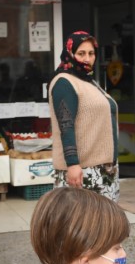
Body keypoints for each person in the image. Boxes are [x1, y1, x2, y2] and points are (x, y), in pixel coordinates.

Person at [50, 31, 121, 199]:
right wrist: (73, 165)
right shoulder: (64, 82)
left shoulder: (88, 81)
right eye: (81, 53)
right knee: (82, 223)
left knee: (103, 223)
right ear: (70, 54)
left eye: (91, 53)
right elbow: (66, 127)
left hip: (103, 170)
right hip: (83, 172)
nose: (87, 59)